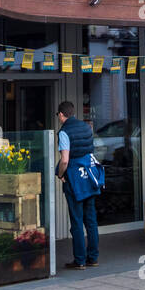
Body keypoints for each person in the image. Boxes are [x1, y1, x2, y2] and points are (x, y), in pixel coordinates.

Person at [56, 100, 100, 270]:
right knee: (91, 220)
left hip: (74, 179)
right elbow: (90, 151)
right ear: (72, 112)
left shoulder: (64, 132)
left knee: (76, 220)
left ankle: (80, 260)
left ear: (61, 114)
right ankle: (93, 258)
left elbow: (65, 160)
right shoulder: (86, 127)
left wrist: (60, 174)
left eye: (58, 116)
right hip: (89, 177)